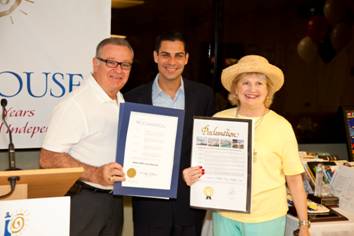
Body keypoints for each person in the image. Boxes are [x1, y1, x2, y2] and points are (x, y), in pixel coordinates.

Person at [183, 55, 310, 236]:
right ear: (235, 88)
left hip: (267, 218)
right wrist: (192, 175)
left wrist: (304, 224)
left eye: (259, 83)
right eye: (245, 83)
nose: (252, 89)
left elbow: (295, 181)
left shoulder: (282, 126)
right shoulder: (219, 120)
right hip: (225, 214)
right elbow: (207, 166)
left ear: (268, 90)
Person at [39, 37, 134, 236]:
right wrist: (94, 173)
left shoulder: (121, 99)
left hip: (114, 199)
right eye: (111, 62)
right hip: (84, 200)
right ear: (95, 63)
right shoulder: (75, 105)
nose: (118, 70)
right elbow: (47, 158)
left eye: (125, 64)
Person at [124, 31, 215, 236]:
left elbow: (207, 147)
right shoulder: (132, 98)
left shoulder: (203, 96)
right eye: (165, 55)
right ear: (156, 56)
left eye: (178, 55)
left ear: (186, 58)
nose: (172, 62)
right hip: (149, 205)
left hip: (189, 203)